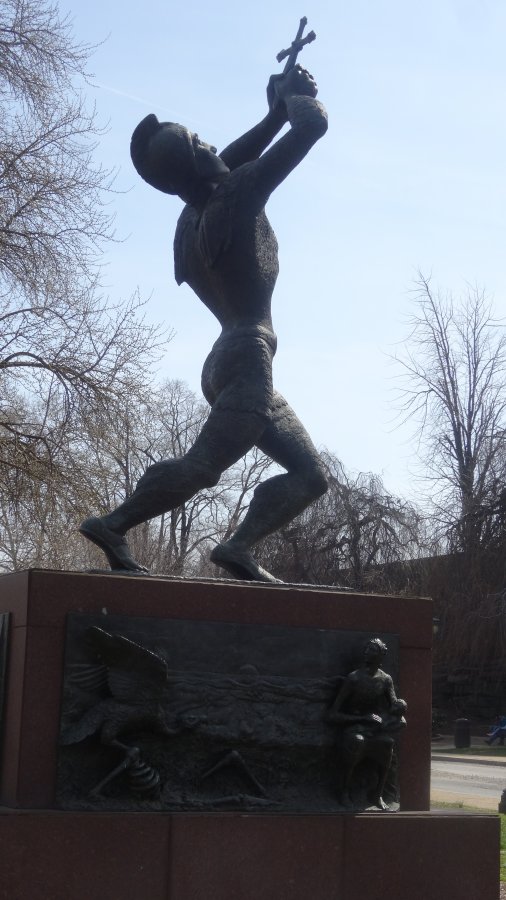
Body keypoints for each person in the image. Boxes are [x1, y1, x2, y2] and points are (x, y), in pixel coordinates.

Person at [80, 64, 328, 582]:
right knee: (203, 465)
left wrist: (271, 115)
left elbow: (223, 165)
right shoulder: (238, 195)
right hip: (249, 358)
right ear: (196, 159)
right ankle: (114, 524)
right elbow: (313, 126)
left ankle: (237, 548)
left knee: (310, 475)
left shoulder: (189, 221)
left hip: (225, 360)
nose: (212, 143)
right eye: (199, 141)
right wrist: (296, 99)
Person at [327, 638, 407, 810]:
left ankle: (377, 794)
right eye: (367, 649)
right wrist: (363, 718)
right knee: (358, 741)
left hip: (374, 729)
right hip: (353, 726)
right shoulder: (353, 678)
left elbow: (394, 705)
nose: (366, 652)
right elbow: (333, 714)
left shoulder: (386, 679)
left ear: (381, 655)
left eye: (372, 649)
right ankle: (344, 791)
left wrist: (400, 713)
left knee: (387, 743)